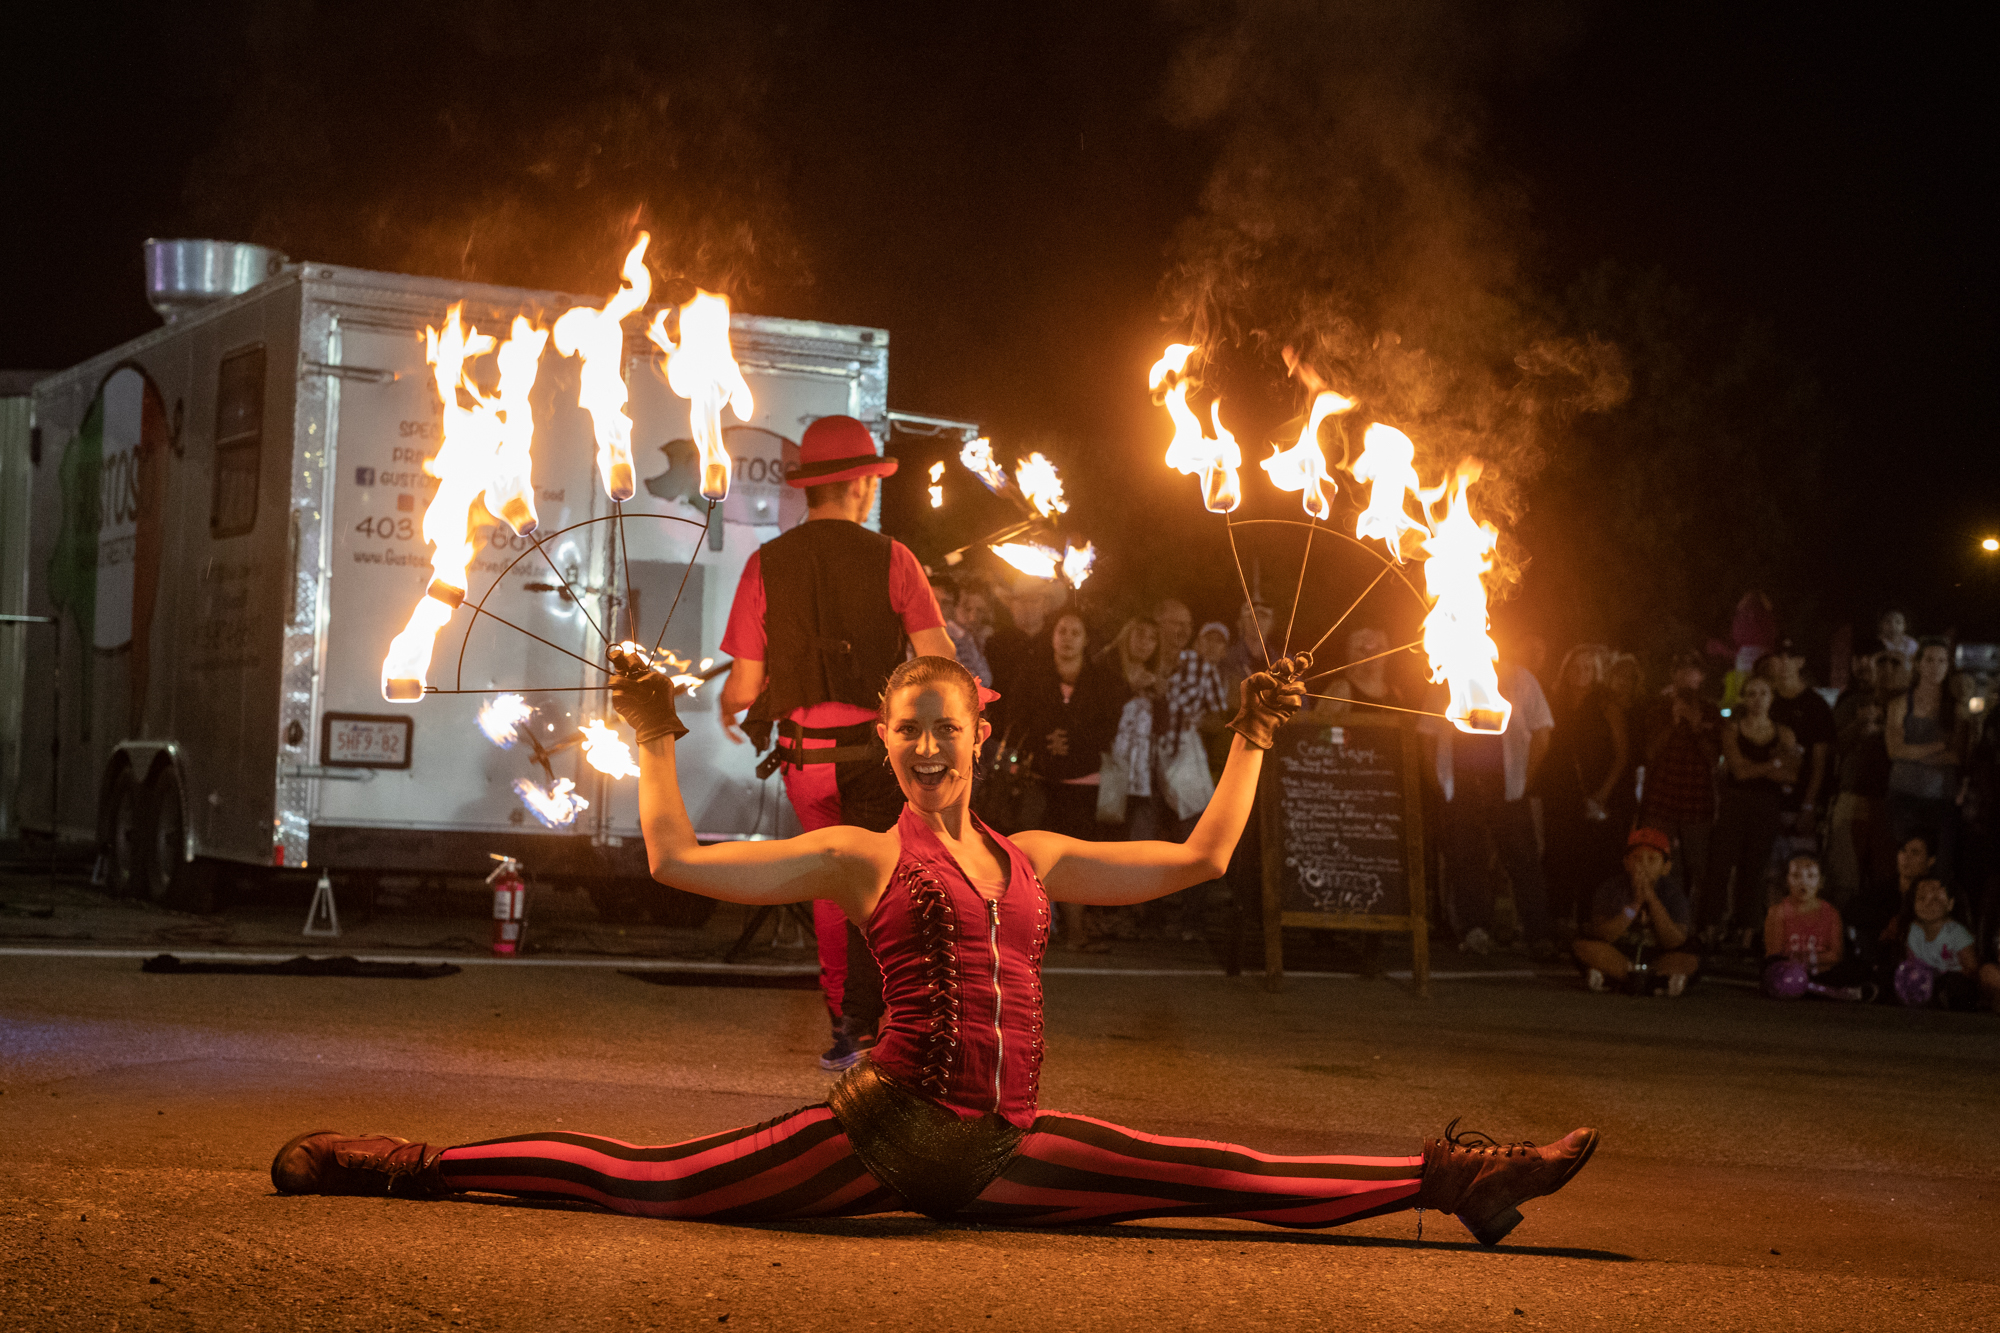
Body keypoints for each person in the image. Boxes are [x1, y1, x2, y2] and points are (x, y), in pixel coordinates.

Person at [270, 652, 1599, 1248]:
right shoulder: (863, 852)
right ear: (886, 744)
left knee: (1221, 1173)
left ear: (977, 738)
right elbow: (680, 862)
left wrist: (1252, 735)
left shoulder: (1036, 859)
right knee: (651, 1182)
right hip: (879, 1135)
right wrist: (655, 739)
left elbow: (1199, 858)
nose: (923, 743)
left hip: (1004, 1151)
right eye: (904, 727)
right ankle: (417, 1164)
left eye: (942, 726)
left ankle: (1462, 1180)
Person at [716, 415, 957, 1071]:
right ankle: (873, 1023)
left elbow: (744, 683)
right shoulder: (895, 558)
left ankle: (846, 1030)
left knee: (829, 884)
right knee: (880, 884)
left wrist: (730, 708)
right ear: (857, 484)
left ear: (811, 489)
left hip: (805, 761)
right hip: (876, 758)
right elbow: (941, 663)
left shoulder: (766, 563)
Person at [1421, 650, 1558, 959]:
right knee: (1466, 856)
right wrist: (1440, 783)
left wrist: (1524, 780)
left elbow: (1543, 731)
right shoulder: (1445, 679)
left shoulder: (1520, 679)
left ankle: (1538, 934)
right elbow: (1427, 736)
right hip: (1462, 784)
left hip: (1506, 784)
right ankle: (1475, 930)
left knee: (1523, 858)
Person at [1004, 610, 1123, 951]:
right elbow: (1017, 718)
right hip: (1039, 777)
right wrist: (1047, 738)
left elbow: (1108, 724)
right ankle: (1026, 933)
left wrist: (1072, 739)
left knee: (1076, 857)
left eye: (1075, 632)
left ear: (1085, 639)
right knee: (1031, 857)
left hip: (1083, 779)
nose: (1068, 637)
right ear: (1052, 636)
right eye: (1062, 631)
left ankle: (1075, 933)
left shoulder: (1102, 679)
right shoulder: (1033, 674)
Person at [1694, 676, 1799, 947]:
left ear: (1771, 698)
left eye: (1763, 693)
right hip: (1735, 803)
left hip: (1766, 806)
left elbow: (1791, 774)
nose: (1757, 699)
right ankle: (1710, 925)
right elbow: (1738, 772)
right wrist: (1771, 764)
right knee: (1720, 864)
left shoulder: (1785, 732)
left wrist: (1764, 768)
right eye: (1751, 693)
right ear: (1744, 698)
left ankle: (1746, 930)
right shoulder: (1732, 729)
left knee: (1755, 868)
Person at [1541, 644, 1628, 936]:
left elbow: (1622, 753)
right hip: (1559, 789)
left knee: (1590, 857)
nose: (1581, 673)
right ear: (1566, 671)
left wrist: (1603, 792)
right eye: (1576, 667)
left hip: (1593, 789)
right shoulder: (1555, 701)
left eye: (1588, 668)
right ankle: (1559, 918)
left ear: (1596, 673)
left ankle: (1587, 920)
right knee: (1558, 854)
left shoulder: (1605, 703)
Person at [1572, 827, 1699, 995]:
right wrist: (1635, 905)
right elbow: (1603, 934)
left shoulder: (1673, 894)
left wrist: (1652, 900)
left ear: (1666, 867)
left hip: (1658, 956)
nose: (1643, 865)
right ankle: (1652, 983)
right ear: (1626, 862)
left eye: (1652, 859)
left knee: (1692, 959)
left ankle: (1617, 980)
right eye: (1637, 858)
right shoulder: (1611, 889)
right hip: (1620, 955)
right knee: (1582, 947)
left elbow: (1675, 941)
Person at [1638, 653, 1720, 894]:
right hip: (1661, 801)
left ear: (1701, 676)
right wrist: (1672, 723)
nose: (1686, 675)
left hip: (1696, 803)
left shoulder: (1710, 711)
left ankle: (1694, 923)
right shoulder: (1658, 709)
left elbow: (1714, 758)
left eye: (1692, 670)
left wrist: (1696, 727)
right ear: (1673, 675)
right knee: (1658, 861)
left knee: (1698, 865)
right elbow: (1649, 752)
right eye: (1680, 670)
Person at [1885, 639, 1963, 879]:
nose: (1935, 666)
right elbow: (1894, 750)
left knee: (1938, 869)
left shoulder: (1955, 708)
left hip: (1941, 799)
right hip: (1904, 797)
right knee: (1904, 868)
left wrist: (1913, 752)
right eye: (1929, 659)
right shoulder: (1900, 703)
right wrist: (1938, 746)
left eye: (1942, 661)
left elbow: (1957, 756)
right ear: (1918, 664)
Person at [1760, 853, 1870, 1000]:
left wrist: (1808, 959)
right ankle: (1825, 991)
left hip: (1821, 970)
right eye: (1796, 876)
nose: (1803, 882)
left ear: (1821, 881)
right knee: (1770, 968)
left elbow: (1836, 954)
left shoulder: (1831, 913)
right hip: (1788, 970)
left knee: (1853, 969)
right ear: (1787, 879)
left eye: (1811, 876)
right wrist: (1794, 963)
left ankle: (1814, 987)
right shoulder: (1778, 912)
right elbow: (1774, 952)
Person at [1760, 640, 1836, 849]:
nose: (1784, 663)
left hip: (1797, 803)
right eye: (1779, 657)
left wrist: (1809, 806)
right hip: (1764, 802)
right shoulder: (1764, 699)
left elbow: (1819, 763)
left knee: (1800, 865)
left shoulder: (1816, 706)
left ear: (1800, 662)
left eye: (1790, 657)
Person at [1896, 876, 1978, 1010]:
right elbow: (1912, 961)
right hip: (1928, 979)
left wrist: (1954, 972)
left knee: (1957, 985)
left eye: (1936, 899)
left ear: (1950, 904)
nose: (1928, 904)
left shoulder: (1956, 932)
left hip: (1952, 980)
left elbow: (1972, 968)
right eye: (1922, 898)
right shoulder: (1915, 931)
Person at [1303, 626, 1408, 725]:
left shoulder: (1395, 693)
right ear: (1349, 652)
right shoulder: (1341, 690)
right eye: (1363, 649)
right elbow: (1319, 730)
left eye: (1379, 648)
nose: (1372, 654)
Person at [945, 580, 996, 689]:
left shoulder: (983, 639)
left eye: (980, 611)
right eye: (967, 609)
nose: (973, 618)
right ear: (954, 607)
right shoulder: (947, 640)